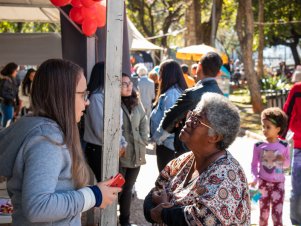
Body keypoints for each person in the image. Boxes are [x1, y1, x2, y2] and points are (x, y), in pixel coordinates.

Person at [0, 59, 121, 225]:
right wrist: (94, 196)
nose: (87, 102)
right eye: (83, 94)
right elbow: (38, 207)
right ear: (63, 95)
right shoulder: (47, 140)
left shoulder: (35, 129)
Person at [143, 93, 251, 225]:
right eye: (191, 115)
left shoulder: (227, 175)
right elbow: (154, 193)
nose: (187, 122)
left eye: (197, 120)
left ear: (215, 137)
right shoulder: (183, 160)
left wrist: (163, 211)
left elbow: (204, 220)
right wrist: (153, 212)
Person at [161, 52, 223, 155]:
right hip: (210, 151)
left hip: (187, 149)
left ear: (199, 66)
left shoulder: (192, 94)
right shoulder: (221, 95)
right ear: (218, 72)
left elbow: (169, 119)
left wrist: (173, 127)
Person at [84, 62, 127, 182]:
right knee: (108, 187)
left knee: (114, 187)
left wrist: (122, 144)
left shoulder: (107, 95)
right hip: (100, 149)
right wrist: (117, 145)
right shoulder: (96, 97)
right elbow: (101, 130)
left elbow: (118, 126)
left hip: (109, 148)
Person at [250, 107, 290, 226]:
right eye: (263, 126)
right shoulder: (258, 145)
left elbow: (287, 165)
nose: (264, 129)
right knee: (263, 214)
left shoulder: (284, 145)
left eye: (268, 127)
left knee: (277, 215)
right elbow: (253, 165)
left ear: (278, 129)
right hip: (262, 185)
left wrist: (283, 160)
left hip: (279, 185)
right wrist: (254, 179)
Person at [119, 73, 149, 226]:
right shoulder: (114, 103)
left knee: (128, 189)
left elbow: (144, 119)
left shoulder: (136, 101)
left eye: (129, 83)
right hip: (122, 153)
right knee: (120, 189)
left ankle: (124, 220)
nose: (129, 86)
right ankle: (121, 218)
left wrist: (144, 138)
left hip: (137, 151)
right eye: (124, 84)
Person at [150, 60, 187, 172]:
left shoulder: (172, 94)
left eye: (160, 72)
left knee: (167, 183)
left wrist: (157, 138)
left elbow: (171, 121)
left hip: (168, 147)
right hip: (168, 145)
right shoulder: (174, 92)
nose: (159, 76)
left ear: (166, 74)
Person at [283, 81, 301, 225]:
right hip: (299, 147)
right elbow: (287, 112)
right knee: (297, 188)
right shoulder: (297, 89)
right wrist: (280, 140)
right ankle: (295, 220)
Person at [0, 62, 19, 127]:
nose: (17, 72)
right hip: (7, 103)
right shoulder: (6, 80)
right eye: (16, 71)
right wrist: (12, 97)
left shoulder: (10, 79)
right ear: (12, 70)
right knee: (7, 121)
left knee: (8, 120)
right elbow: (2, 93)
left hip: (8, 103)